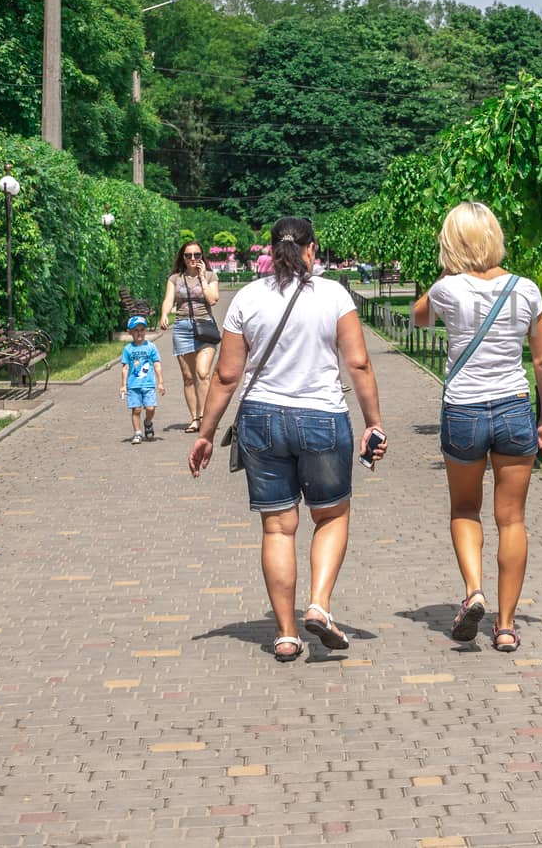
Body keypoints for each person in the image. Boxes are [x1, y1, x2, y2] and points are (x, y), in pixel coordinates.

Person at [189, 217, 388, 663]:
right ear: (312, 251)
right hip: (321, 418)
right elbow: (358, 365)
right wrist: (373, 421)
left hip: (261, 420)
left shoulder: (247, 298)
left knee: (278, 527)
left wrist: (205, 433)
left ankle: (284, 634)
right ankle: (318, 605)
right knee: (331, 517)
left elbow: (226, 375)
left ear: (269, 251)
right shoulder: (334, 295)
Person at [412, 202, 542, 653]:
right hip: (514, 406)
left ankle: (474, 591)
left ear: (453, 243)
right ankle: (508, 625)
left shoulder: (447, 290)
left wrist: (446, 273)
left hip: (464, 410)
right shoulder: (527, 289)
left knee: (464, 510)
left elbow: (418, 317)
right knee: (512, 518)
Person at [158, 240, 221, 433]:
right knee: (188, 377)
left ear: (202, 257)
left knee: (203, 373)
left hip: (205, 328)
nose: (193, 259)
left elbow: (213, 299)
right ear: (183, 258)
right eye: (188, 255)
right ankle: (195, 418)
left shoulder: (210, 276)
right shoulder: (175, 278)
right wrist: (164, 314)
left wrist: (202, 278)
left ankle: (206, 417)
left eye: (197, 255)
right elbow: (169, 299)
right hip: (182, 328)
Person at [120, 315, 162, 444]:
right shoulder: (128, 349)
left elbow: (157, 364)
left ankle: (148, 422)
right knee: (136, 409)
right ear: (130, 332)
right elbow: (125, 368)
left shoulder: (151, 347)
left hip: (148, 384)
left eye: (142, 329)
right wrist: (123, 385)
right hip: (133, 385)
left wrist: (160, 382)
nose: (139, 333)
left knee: (150, 408)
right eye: (136, 330)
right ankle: (137, 433)